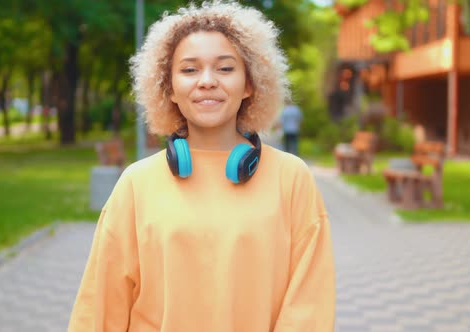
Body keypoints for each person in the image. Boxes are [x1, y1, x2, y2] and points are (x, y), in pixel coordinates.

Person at [68, 1, 335, 331]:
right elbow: (101, 305)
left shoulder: (292, 178)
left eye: (225, 68)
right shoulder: (137, 184)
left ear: (249, 83)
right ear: (170, 89)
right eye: (189, 70)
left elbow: (309, 307)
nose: (207, 81)